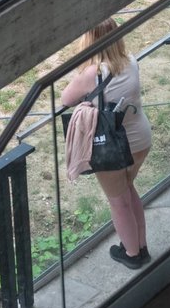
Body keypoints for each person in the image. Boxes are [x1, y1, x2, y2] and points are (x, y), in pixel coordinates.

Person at [61, 18, 154, 270]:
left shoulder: (93, 73)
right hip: (140, 140)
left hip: (113, 146)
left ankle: (133, 254)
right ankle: (140, 244)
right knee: (128, 190)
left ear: (89, 41)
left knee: (118, 201)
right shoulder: (131, 61)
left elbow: (66, 98)